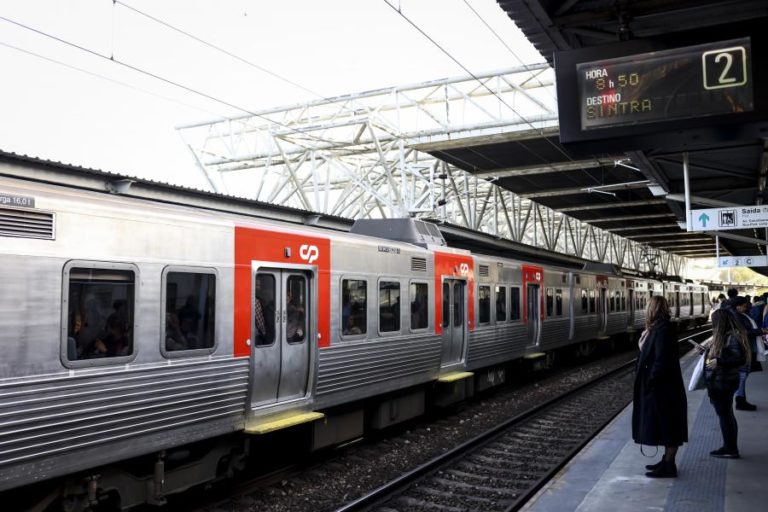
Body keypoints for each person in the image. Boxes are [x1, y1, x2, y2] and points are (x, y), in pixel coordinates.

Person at [632, 295, 687, 478]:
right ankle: (665, 461)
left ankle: (669, 465)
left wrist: (651, 381)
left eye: (648, 307)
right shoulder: (660, 327)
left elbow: (661, 360)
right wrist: (642, 347)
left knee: (669, 425)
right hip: (664, 386)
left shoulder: (663, 329)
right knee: (665, 425)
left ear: (653, 309)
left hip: (664, 388)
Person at [705, 309, 750, 458]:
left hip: (724, 382)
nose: (713, 324)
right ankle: (729, 446)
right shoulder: (728, 336)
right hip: (722, 381)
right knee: (726, 414)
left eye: (714, 321)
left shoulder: (733, 337)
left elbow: (740, 359)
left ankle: (730, 448)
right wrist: (705, 353)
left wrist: (720, 361)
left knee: (725, 415)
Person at [732, 296, 763, 410]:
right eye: (744, 306)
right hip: (741, 350)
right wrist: (761, 331)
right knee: (742, 375)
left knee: (743, 375)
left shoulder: (740, 315)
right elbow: (743, 333)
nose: (746, 307)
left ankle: (741, 399)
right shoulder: (736, 316)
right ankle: (740, 401)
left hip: (745, 349)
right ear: (738, 306)